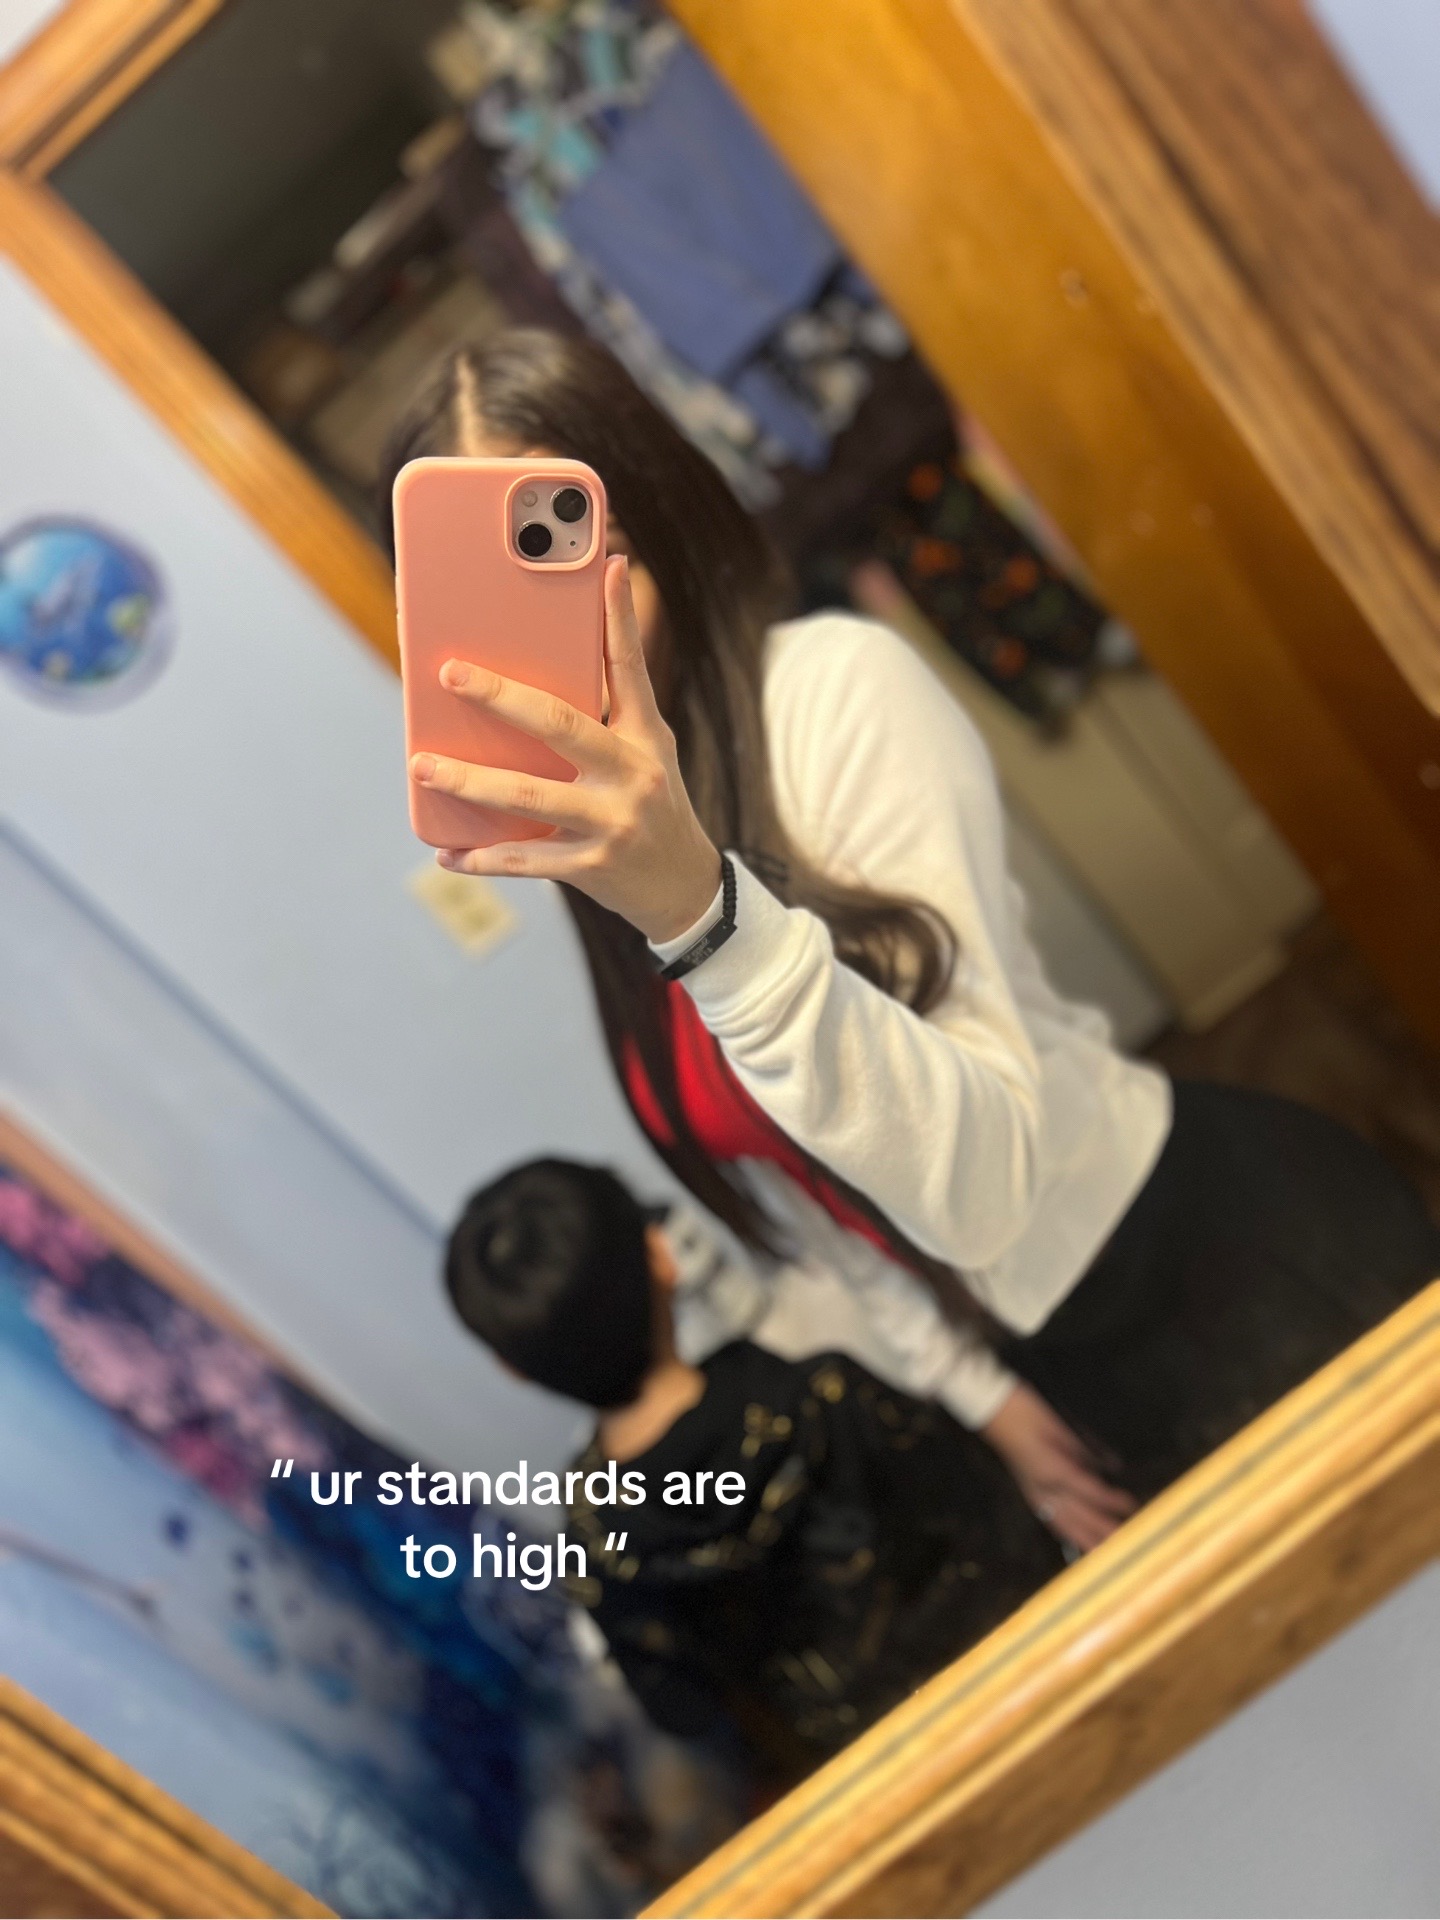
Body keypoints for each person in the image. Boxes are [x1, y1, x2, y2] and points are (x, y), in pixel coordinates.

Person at [383, 329, 1440, 1544]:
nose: (561, 630)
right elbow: (810, 1197)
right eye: (495, 591)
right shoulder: (597, 840)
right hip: (1036, 1356)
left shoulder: (833, 694)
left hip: (1199, 1255)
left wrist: (703, 919)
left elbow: (985, 1185)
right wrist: (980, 1394)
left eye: (578, 551)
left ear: (657, 513)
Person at [445, 1157, 1064, 1786]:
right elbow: (1001, 1525)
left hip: (885, 1787)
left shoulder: (598, 1553)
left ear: (510, 1368)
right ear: (661, 1256)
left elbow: (691, 1716)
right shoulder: (825, 1398)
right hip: (1037, 1685)